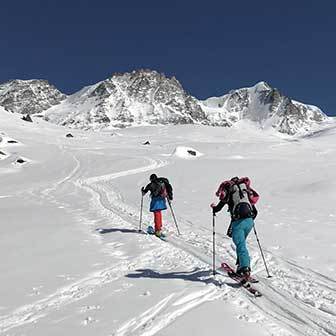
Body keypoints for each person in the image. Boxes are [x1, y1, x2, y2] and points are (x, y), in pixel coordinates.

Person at [210, 176, 259, 278]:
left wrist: (214, 208)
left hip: (238, 222)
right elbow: (255, 212)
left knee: (241, 245)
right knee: (241, 244)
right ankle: (241, 266)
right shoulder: (245, 193)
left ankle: (245, 268)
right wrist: (249, 220)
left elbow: (218, 208)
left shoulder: (230, 191)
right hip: (249, 222)